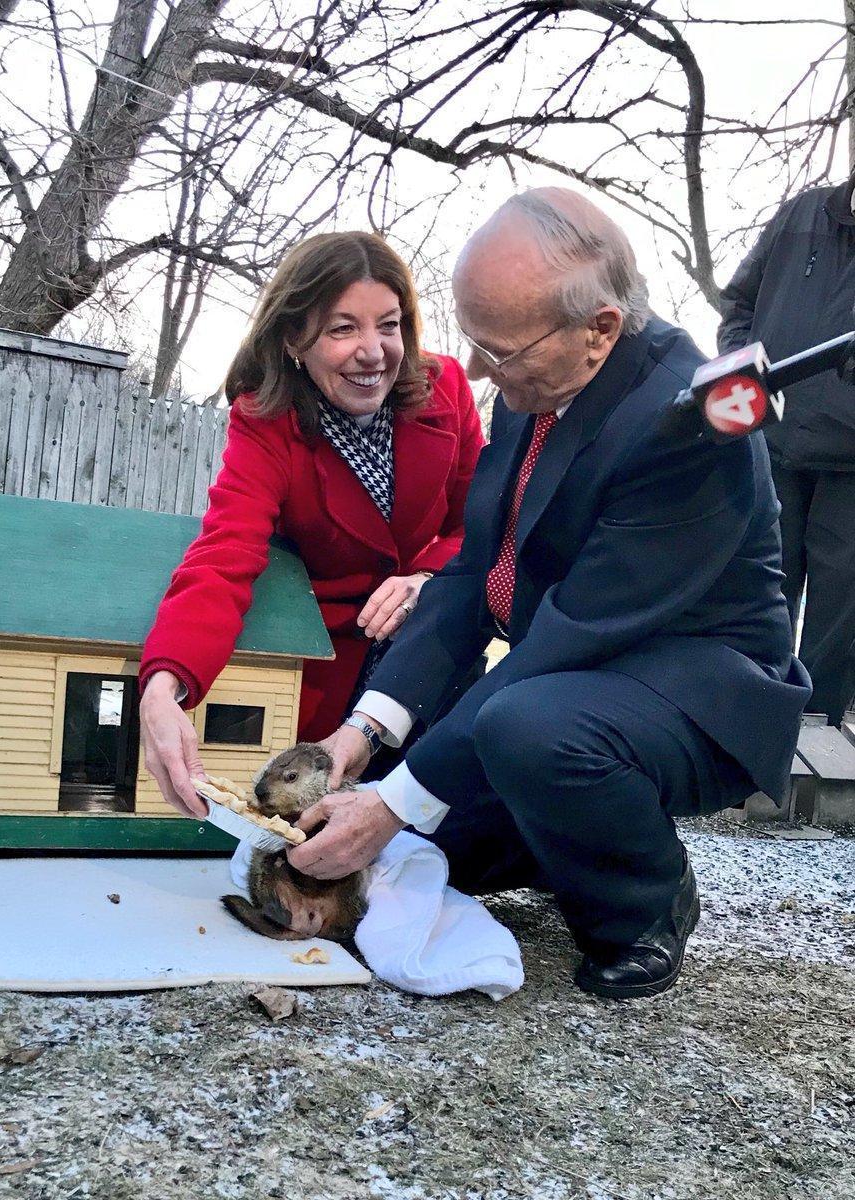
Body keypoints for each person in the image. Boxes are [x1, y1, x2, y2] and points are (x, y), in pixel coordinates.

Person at [283, 189, 811, 1001]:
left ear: (599, 328)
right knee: (423, 846)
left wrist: (392, 801)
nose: (481, 370)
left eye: (500, 350)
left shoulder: (688, 429)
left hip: (693, 692)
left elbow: (576, 632)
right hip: (577, 676)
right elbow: (471, 576)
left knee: (517, 734)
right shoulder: (538, 377)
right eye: (476, 342)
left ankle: (644, 904)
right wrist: (359, 736)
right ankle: (552, 834)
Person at [138, 231, 485, 817]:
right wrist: (163, 686)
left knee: (444, 832)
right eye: (342, 328)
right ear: (295, 337)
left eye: (389, 324)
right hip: (329, 661)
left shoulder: (446, 388)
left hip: (433, 649)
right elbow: (226, 552)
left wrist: (425, 577)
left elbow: (480, 524)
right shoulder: (266, 417)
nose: (373, 351)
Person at [717, 176, 855, 726]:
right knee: (758, 592)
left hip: (850, 461)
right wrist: (742, 370)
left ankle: (819, 737)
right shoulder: (801, 213)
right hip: (771, 441)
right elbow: (738, 303)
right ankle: (745, 727)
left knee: (839, 610)